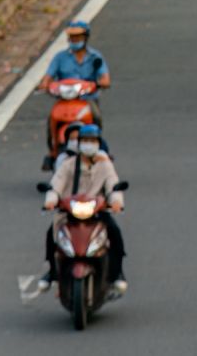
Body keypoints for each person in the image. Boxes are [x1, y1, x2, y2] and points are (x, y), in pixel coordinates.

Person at [40, 124, 127, 298]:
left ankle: (117, 273)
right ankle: (52, 272)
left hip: (97, 213)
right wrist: (51, 200)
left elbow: (112, 185)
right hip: (69, 213)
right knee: (52, 235)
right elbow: (56, 184)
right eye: (85, 141)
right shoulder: (68, 165)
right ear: (79, 144)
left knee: (115, 233)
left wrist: (116, 202)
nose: (89, 144)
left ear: (98, 143)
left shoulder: (105, 165)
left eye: (92, 141)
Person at [38, 22, 110, 153]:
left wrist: (99, 84)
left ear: (85, 37)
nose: (75, 40)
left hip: (87, 99)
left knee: (96, 117)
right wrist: (45, 84)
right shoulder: (60, 57)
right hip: (65, 99)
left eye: (78, 37)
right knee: (51, 120)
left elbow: (105, 78)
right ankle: (52, 151)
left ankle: (99, 147)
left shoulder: (95, 57)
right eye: (72, 37)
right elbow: (48, 76)